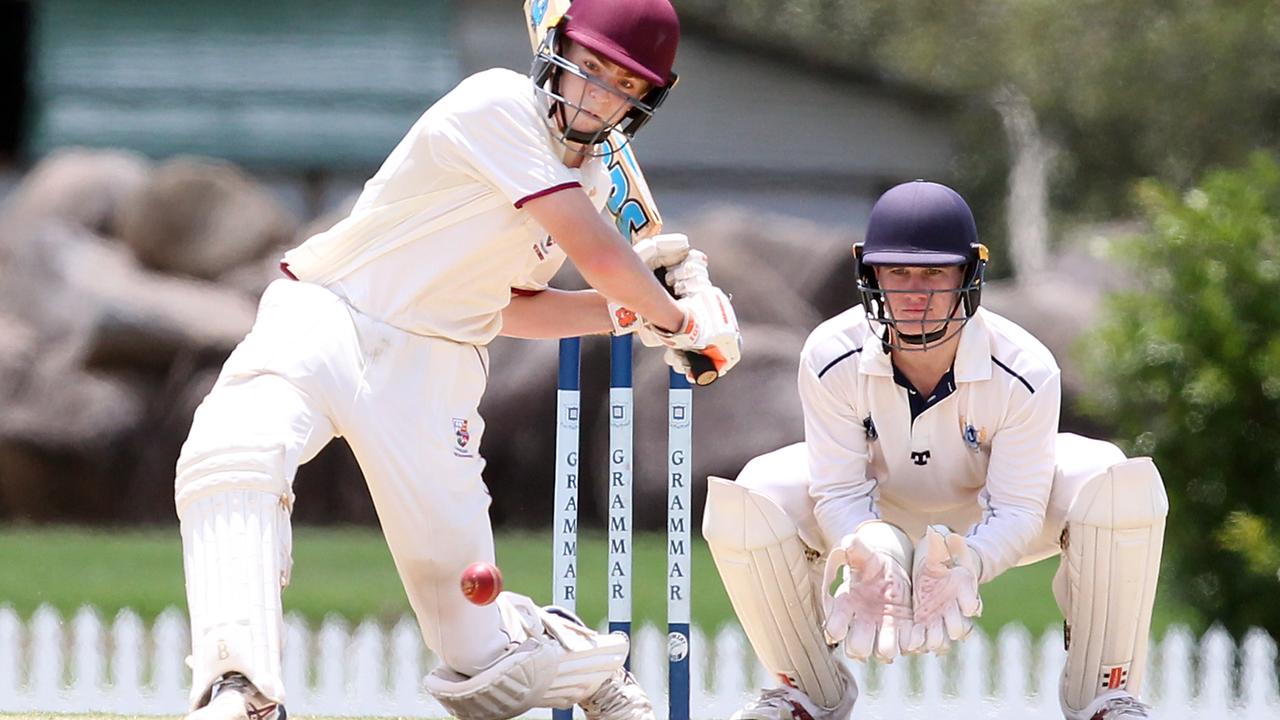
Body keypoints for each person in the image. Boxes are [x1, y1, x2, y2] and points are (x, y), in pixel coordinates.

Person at [175, 1, 742, 719]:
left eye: (620, 83)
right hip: (333, 312)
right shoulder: (495, 103)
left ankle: (577, 661)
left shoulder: (593, 185)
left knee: (481, 664)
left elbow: (506, 305)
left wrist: (638, 319)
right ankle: (241, 689)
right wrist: (682, 317)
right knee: (233, 450)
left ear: (644, 99)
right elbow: (599, 252)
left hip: (434, 373)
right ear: (557, 50)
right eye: (588, 68)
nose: (595, 94)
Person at [702, 180, 1167, 720]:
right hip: (877, 511)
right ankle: (806, 693)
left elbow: (1019, 506)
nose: (915, 292)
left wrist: (970, 561)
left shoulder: (1025, 366)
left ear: (969, 275)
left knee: (1113, 480)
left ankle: (1104, 695)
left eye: (934, 272)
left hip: (988, 514)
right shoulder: (831, 353)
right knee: (755, 493)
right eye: (897, 271)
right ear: (870, 273)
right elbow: (837, 489)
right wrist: (870, 543)